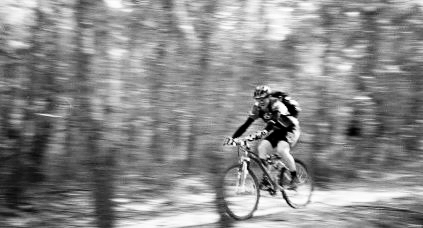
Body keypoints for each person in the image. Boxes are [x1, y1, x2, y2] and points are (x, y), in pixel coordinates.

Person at [226, 85, 301, 190]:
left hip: (290, 129)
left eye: (263, 99)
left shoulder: (276, 104)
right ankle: (267, 180)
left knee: (281, 149)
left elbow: (273, 120)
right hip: (277, 131)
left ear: (269, 97)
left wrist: (265, 131)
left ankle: (294, 177)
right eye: (258, 99)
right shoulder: (257, 108)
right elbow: (245, 125)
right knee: (262, 148)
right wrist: (233, 138)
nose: (261, 101)